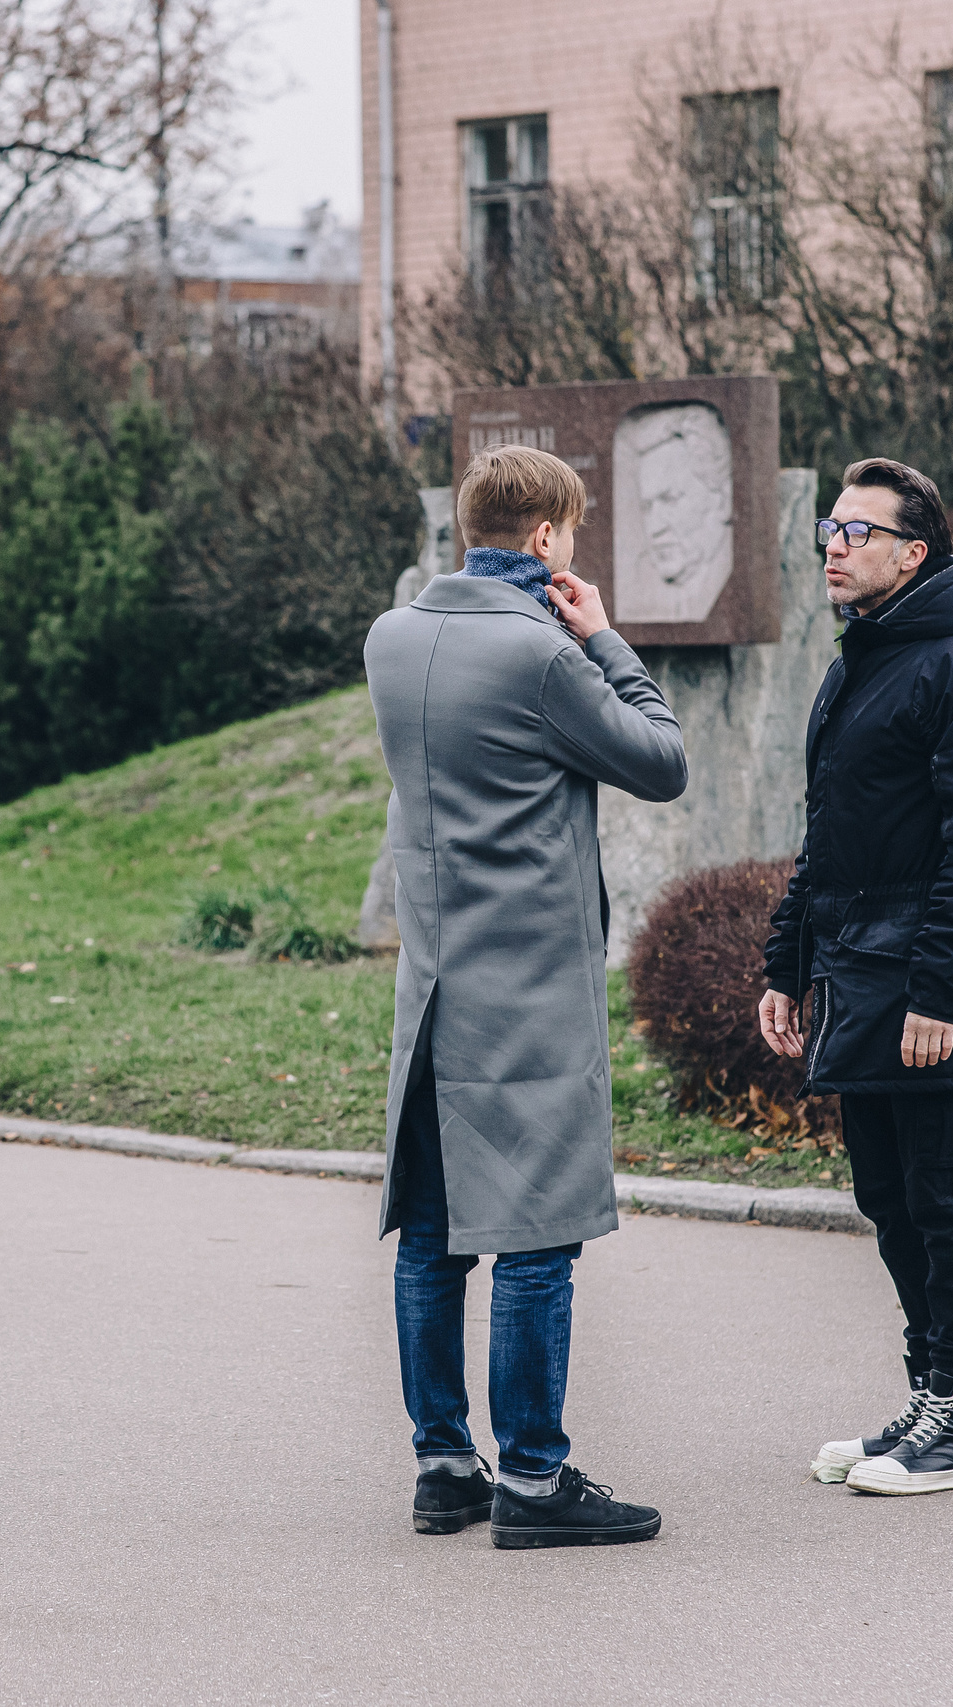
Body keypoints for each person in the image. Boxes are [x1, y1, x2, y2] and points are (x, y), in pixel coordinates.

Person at [364, 444, 688, 1548]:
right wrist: (600, 634)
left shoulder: (391, 638)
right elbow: (658, 759)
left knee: (433, 1233)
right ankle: (537, 1481)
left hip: (434, 982)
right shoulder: (544, 656)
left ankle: (443, 1464)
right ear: (548, 536)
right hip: (533, 988)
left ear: (470, 528)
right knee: (538, 1237)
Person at [757, 458, 953, 1497]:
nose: (833, 543)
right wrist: (786, 961)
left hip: (926, 980)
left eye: (857, 531)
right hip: (856, 967)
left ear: (914, 554)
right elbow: (828, 835)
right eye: (830, 527)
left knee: (941, 1192)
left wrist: (937, 992)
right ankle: (923, 1397)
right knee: (886, 1194)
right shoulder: (865, 656)